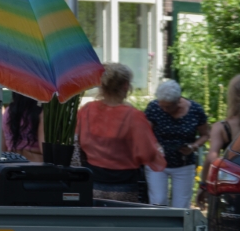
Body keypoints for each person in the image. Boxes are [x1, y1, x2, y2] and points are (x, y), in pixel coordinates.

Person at [77, 63, 164, 202]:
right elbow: (147, 153)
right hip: (124, 185)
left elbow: (78, 141)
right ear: (126, 86)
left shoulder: (86, 111)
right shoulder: (134, 116)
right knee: (122, 216)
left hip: (93, 182)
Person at [144, 79, 209, 207]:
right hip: (157, 161)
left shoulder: (195, 110)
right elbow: (145, 131)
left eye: (168, 106)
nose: (164, 109)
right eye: (161, 105)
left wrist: (193, 146)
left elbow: (206, 134)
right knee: (158, 202)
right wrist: (155, 145)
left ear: (178, 100)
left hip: (184, 163)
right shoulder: (154, 108)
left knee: (181, 206)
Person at [3, 91, 44, 163]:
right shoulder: (40, 113)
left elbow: (3, 147)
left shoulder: (8, 111)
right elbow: (44, 149)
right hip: (34, 163)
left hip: (11, 162)